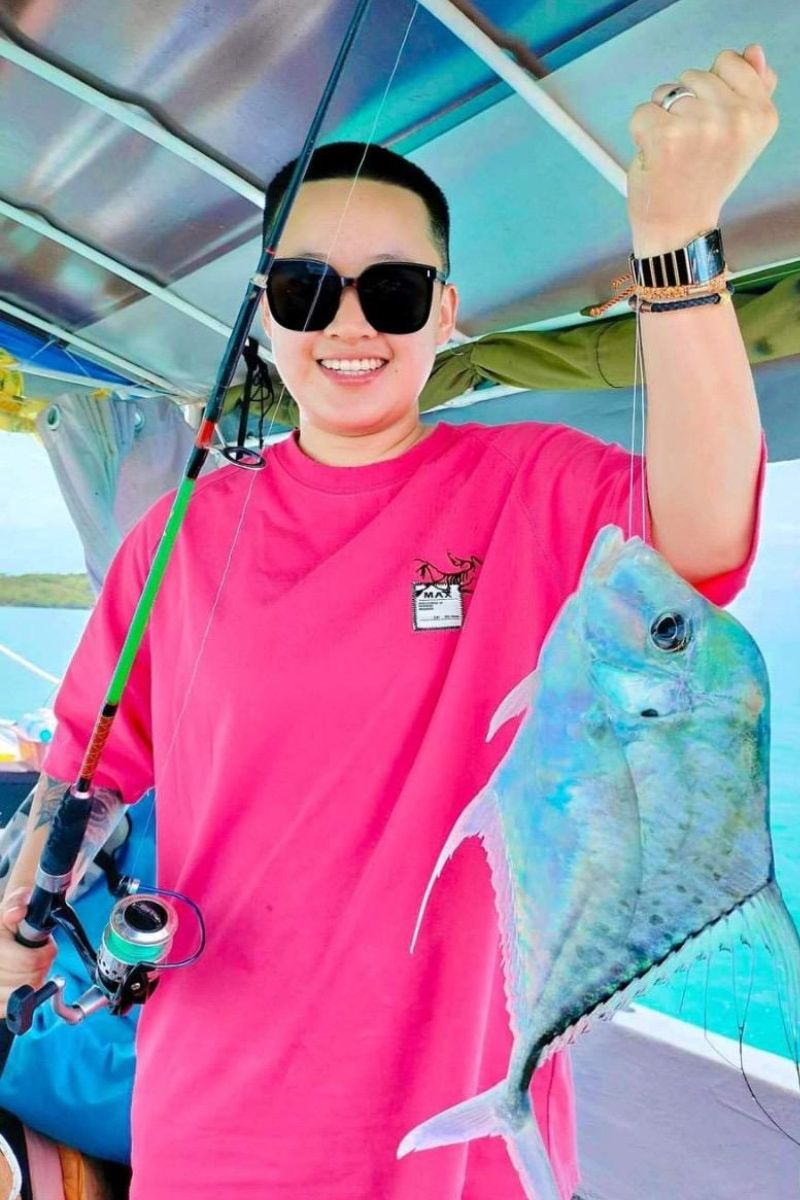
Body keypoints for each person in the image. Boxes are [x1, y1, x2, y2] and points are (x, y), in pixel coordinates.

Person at [0, 43, 778, 1200]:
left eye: (394, 289)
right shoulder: (181, 536)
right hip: (213, 1119)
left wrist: (671, 236)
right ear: (265, 312)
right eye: (307, 288)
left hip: (462, 1131)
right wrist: (22, 907)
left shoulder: (534, 489)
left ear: (444, 312)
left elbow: (704, 541)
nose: (349, 322)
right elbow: (88, 767)